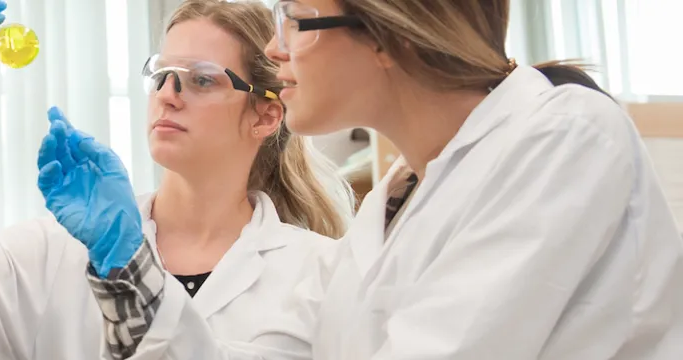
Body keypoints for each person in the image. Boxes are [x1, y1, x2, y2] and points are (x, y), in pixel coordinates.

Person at [50, 0, 683, 359]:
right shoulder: (394, 202)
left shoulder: (561, 136)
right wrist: (129, 267)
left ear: (385, 34)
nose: (275, 49)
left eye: (296, 17)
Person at [0, 0, 353, 359]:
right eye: (161, 75)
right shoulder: (62, 249)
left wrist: (128, 262)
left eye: (201, 79)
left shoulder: (322, 274)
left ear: (265, 117)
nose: (169, 95)